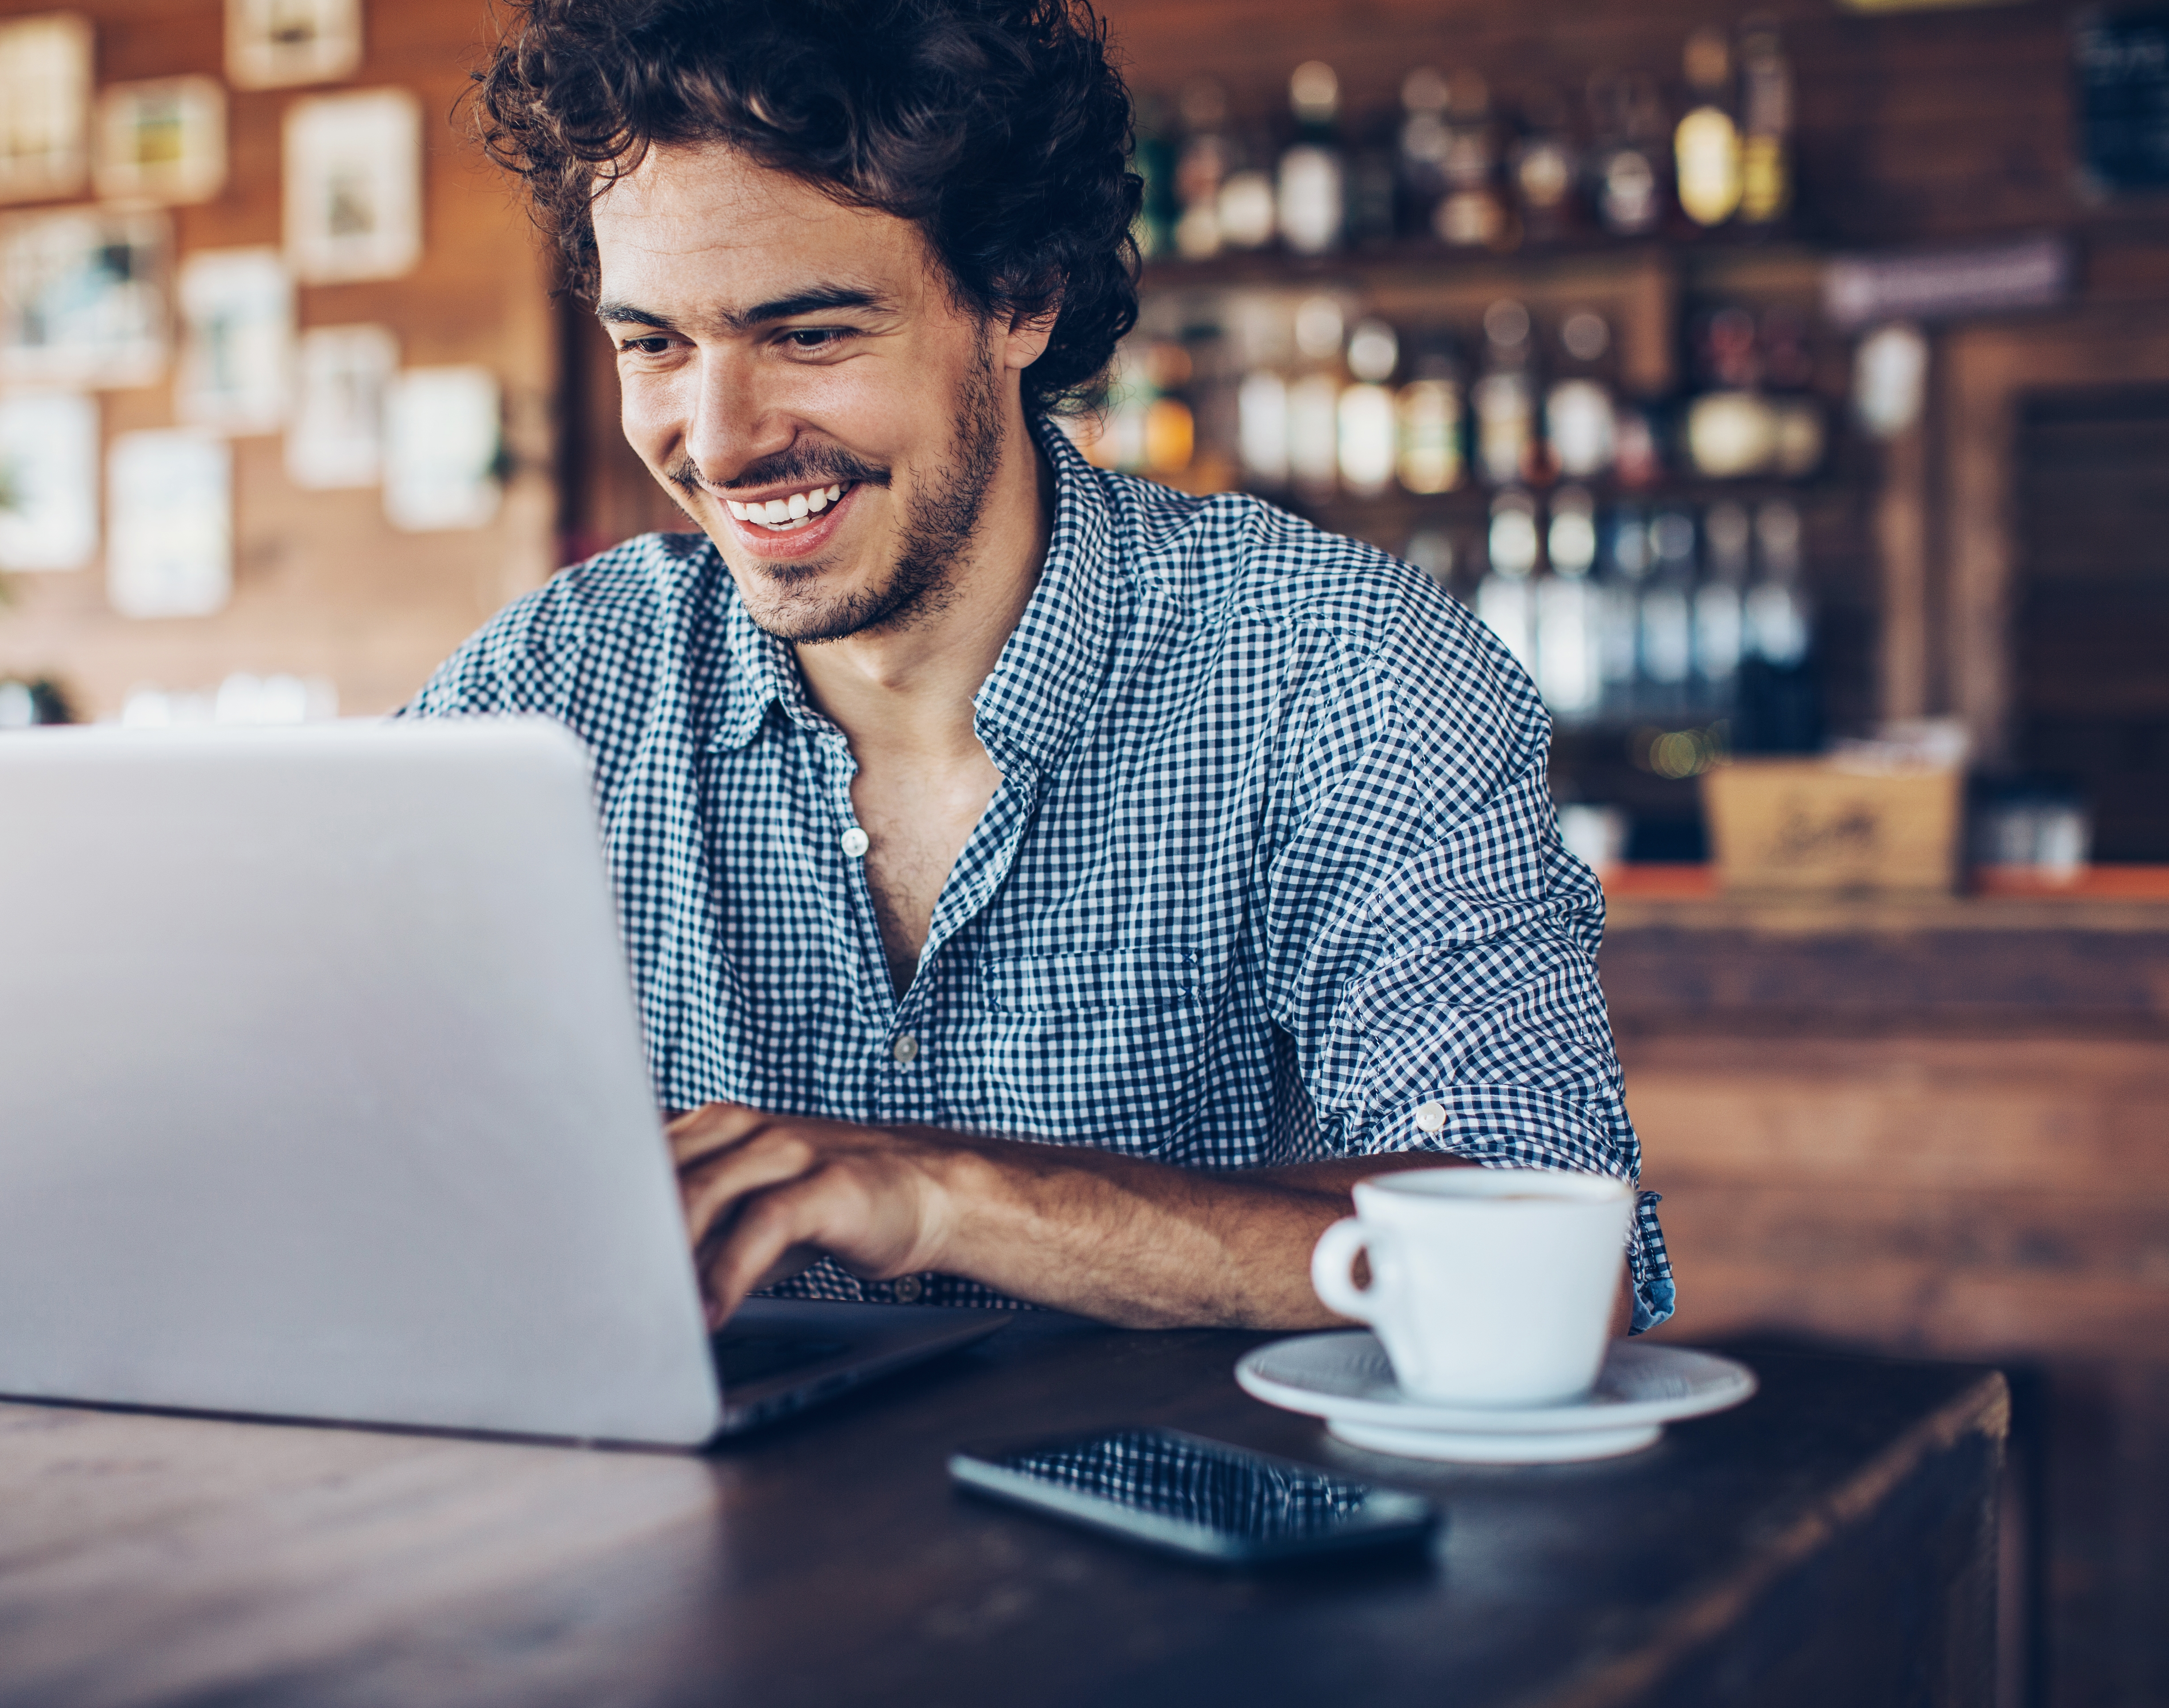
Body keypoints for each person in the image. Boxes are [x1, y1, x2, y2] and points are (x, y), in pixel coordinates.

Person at [411, 0, 1673, 1335]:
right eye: (654, 343)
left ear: (1021, 298)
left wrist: (950, 1199)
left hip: (1194, 1538)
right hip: (707, 1539)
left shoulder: (1336, 667)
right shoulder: (546, 696)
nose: (718, 444)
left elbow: (1555, 1264)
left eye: (812, 334)